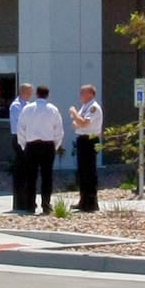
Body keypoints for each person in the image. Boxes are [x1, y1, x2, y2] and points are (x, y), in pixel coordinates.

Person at [20, 85, 64, 214]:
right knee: (47, 176)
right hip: (48, 145)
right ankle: (46, 204)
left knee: (31, 176)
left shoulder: (27, 109)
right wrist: (55, 146)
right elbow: (59, 131)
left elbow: (21, 128)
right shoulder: (53, 110)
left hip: (31, 145)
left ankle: (30, 205)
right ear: (47, 95)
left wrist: (24, 145)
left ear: (36, 94)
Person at [70, 84, 104, 213]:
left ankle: (91, 202)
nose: (80, 95)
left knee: (89, 171)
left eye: (83, 93)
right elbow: (76, 124)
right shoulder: (85, 107)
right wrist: (78, 121)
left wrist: (73, 112)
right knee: (82, 171)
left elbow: (83, 123)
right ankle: (83, 200)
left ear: (91, 94)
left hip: (90, 140)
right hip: (82, 139)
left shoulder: (94, 107)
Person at [7, 82, 35, 214]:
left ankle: (27, 199)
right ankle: (20, 201)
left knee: (28, 170)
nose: (31, 94)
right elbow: (20, 124)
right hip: (19, 139)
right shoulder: (16, 106)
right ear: (23, 92)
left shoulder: (29, 106)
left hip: (28, 139)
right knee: (20, 170)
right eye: (29, 92)